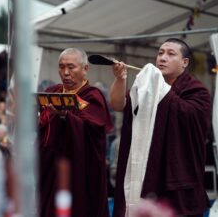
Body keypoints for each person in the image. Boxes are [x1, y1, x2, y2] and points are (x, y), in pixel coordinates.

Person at [110, 38, 212, 217]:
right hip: (147, 171)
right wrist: (121, 79)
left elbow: (190, 118)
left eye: (171, 54)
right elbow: (119, 104)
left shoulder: (197, 90)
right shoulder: (148, 88)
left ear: (184, 63)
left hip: (177, 177)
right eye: (160, 53)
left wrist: (162, 89)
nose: (162, 58)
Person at [37, 48, 113, 217]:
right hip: (51, 166)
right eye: (61, 67)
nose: (65, 73)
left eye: (71, 67)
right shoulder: (52, 92)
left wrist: (65, 115)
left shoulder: (92, 96)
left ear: (85, 69)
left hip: (81, 167)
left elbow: (95, 128)